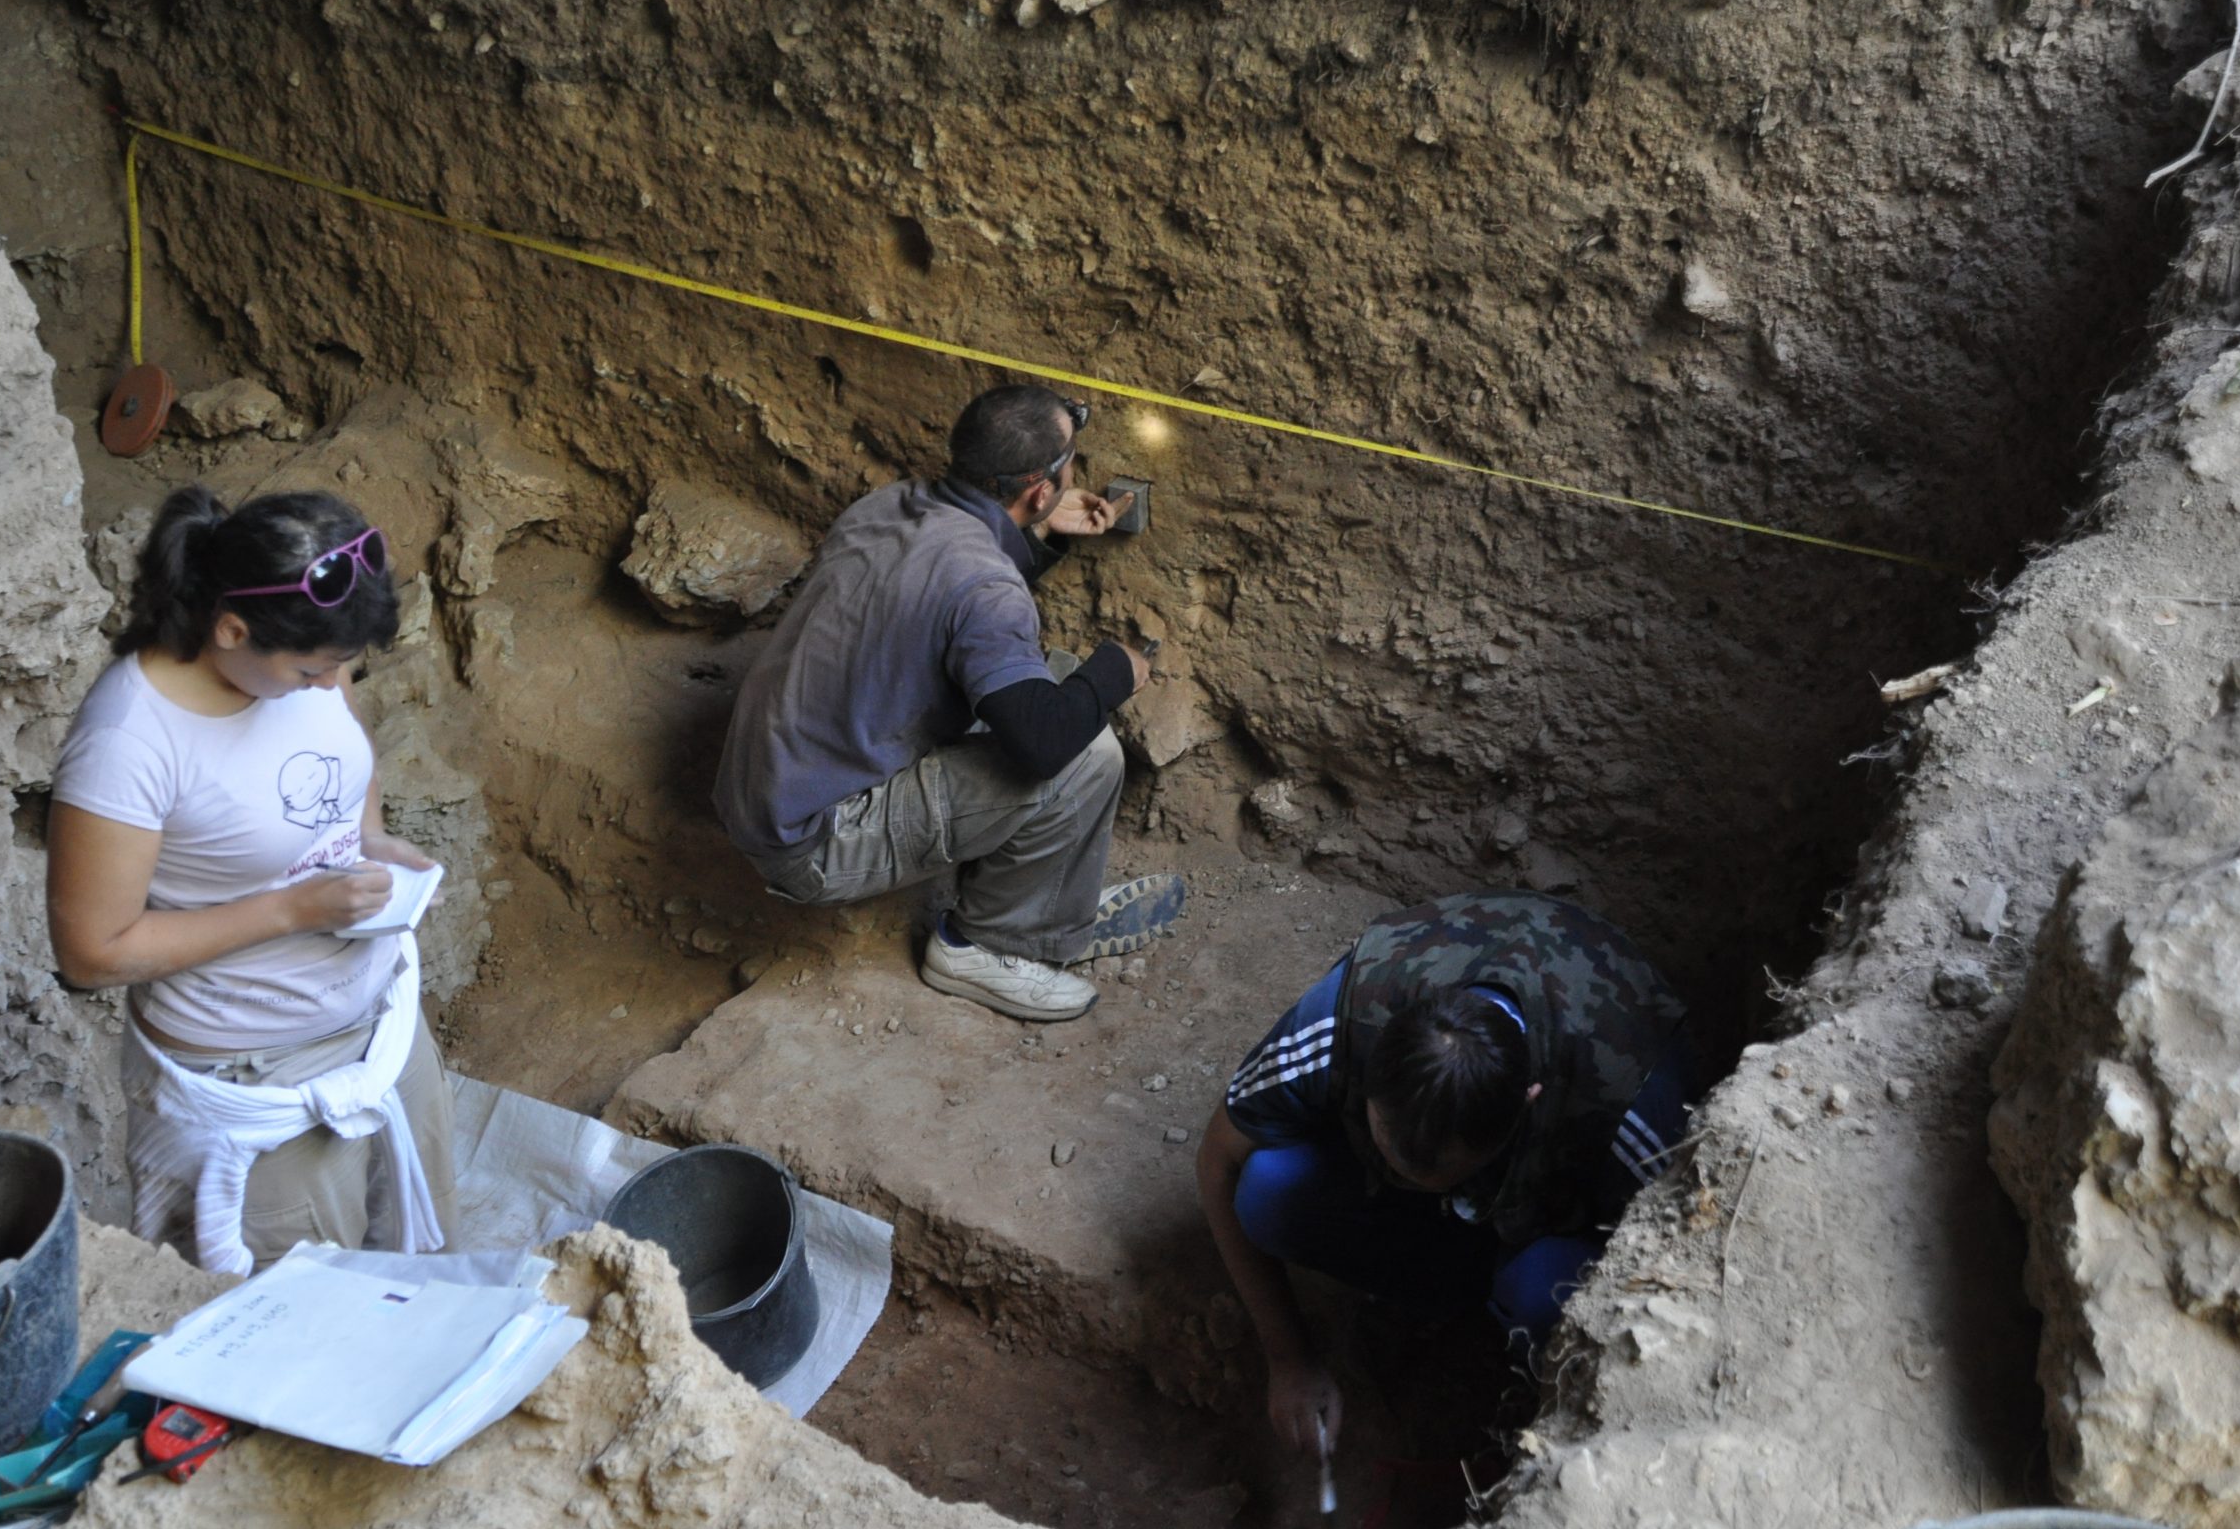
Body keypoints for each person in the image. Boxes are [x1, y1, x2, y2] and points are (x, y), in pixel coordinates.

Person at [46, 486, 454, 1275]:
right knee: (301, 1311)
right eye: (311, 669)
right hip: (255, 1070)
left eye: (338, 666)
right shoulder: (129, 743)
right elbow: (93, 952)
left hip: (379, 1022)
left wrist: (366, 834)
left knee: (417, 1275)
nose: (327, 683)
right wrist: (292, 910)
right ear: (231, 629)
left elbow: (341, 741)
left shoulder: (308, 655)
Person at [714, 383, 1185, 1022]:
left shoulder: (891, 504)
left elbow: (947, 602)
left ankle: (1039, 896)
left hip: (766, 786)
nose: (1077, 472)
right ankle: (984, 945)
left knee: (1046, 685)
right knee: (1085, 751)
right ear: (1039, 490)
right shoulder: (984, 586)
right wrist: (1115, 673)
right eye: (1071, 461)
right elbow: (1043, 744)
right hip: (815, 842)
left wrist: (1038, 532)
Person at [1194, 890, 1694, 1451]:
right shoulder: (1344, 1021)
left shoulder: (1625, 1099)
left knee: (1545, 1289)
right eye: (1387, 1145)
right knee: (1270, 1189)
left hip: (1551, 1208)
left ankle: (1512, 1358)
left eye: (1440, 1171)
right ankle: (1437, 1297)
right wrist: (1288, 1359)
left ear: (1526, 1102)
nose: (1409, 1176)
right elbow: (1218, 1161)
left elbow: (1676, 1274)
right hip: (1463, 1203)